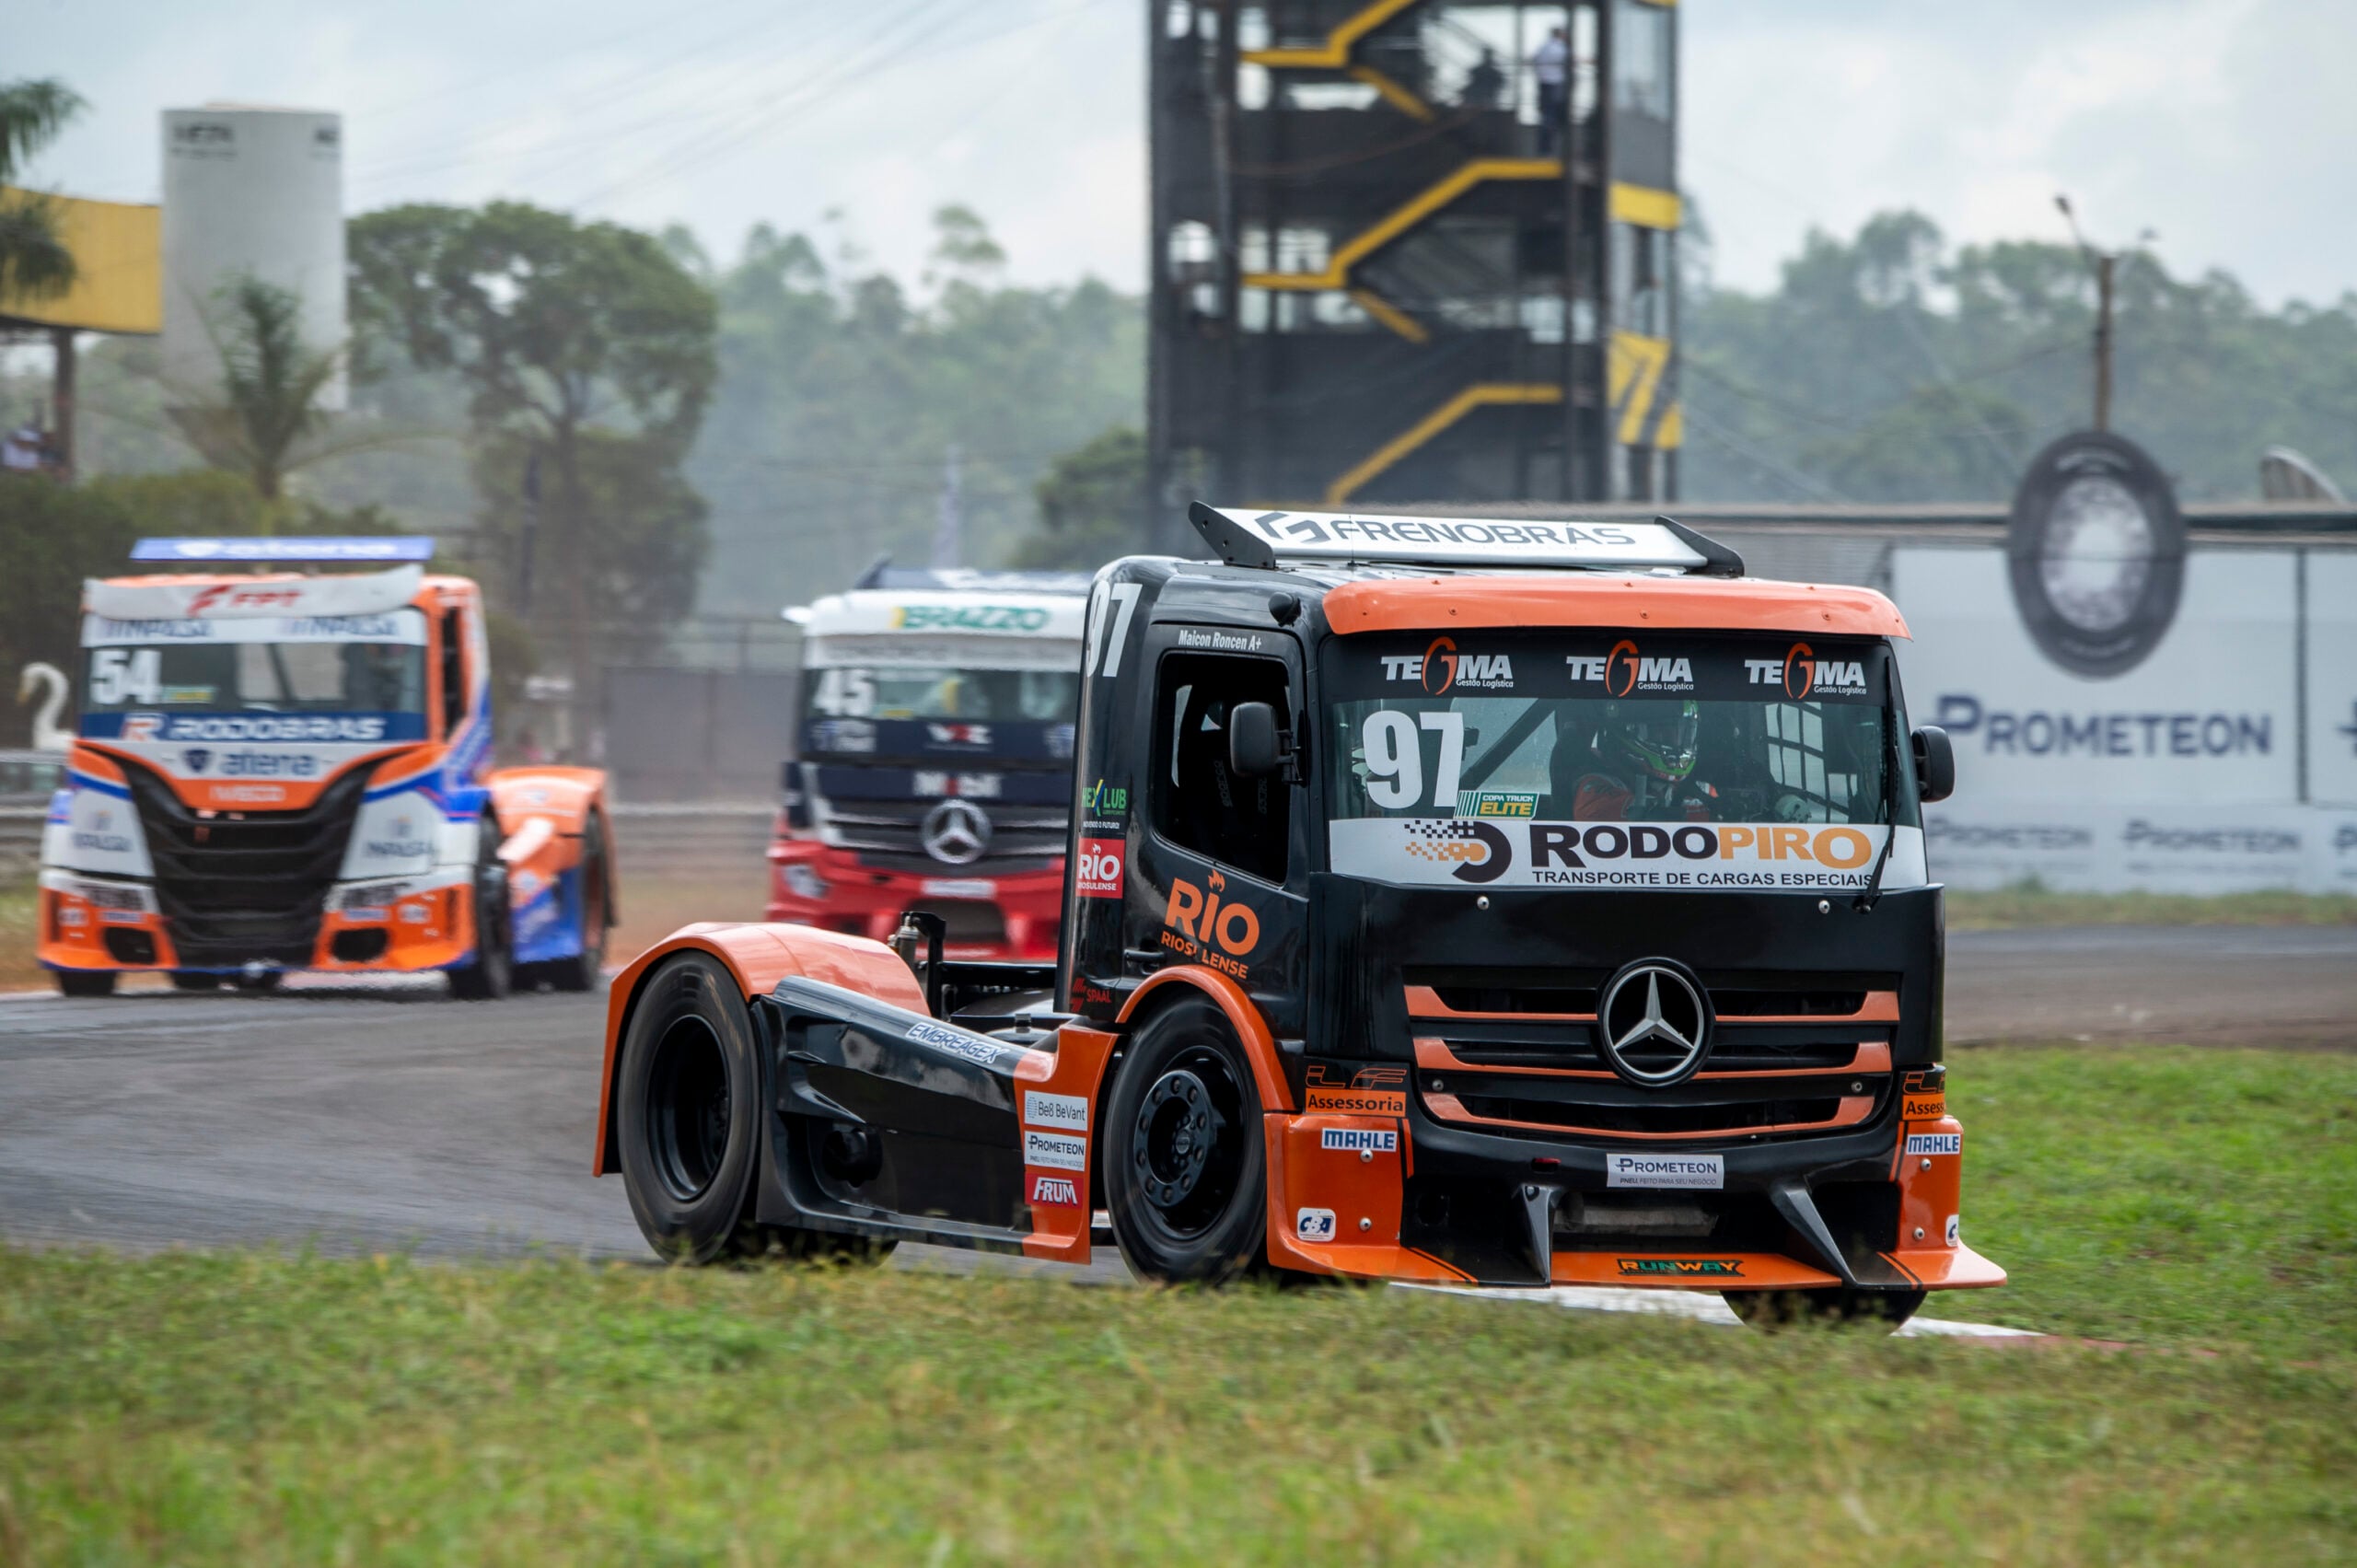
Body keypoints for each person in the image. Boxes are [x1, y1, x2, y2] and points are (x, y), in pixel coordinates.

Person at [1559, 701, 1719, 821]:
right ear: (1629, 730)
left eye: (1683, 732)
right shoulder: (1593, 787)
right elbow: (1633, 816)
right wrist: (1712, 811)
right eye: (1662, 732)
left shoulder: (1703, 791)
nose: (1675, 740)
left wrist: (1730, 807)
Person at [1532, 27, 1569, 156]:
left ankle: (1545, 149)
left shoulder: (1543, 48)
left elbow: (1535, 61)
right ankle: (1552, 150)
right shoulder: (1559, 48)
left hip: (1543, 85)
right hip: (1555, 86)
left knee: (1547, 117)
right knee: (1554, 119)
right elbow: (1570, 60)